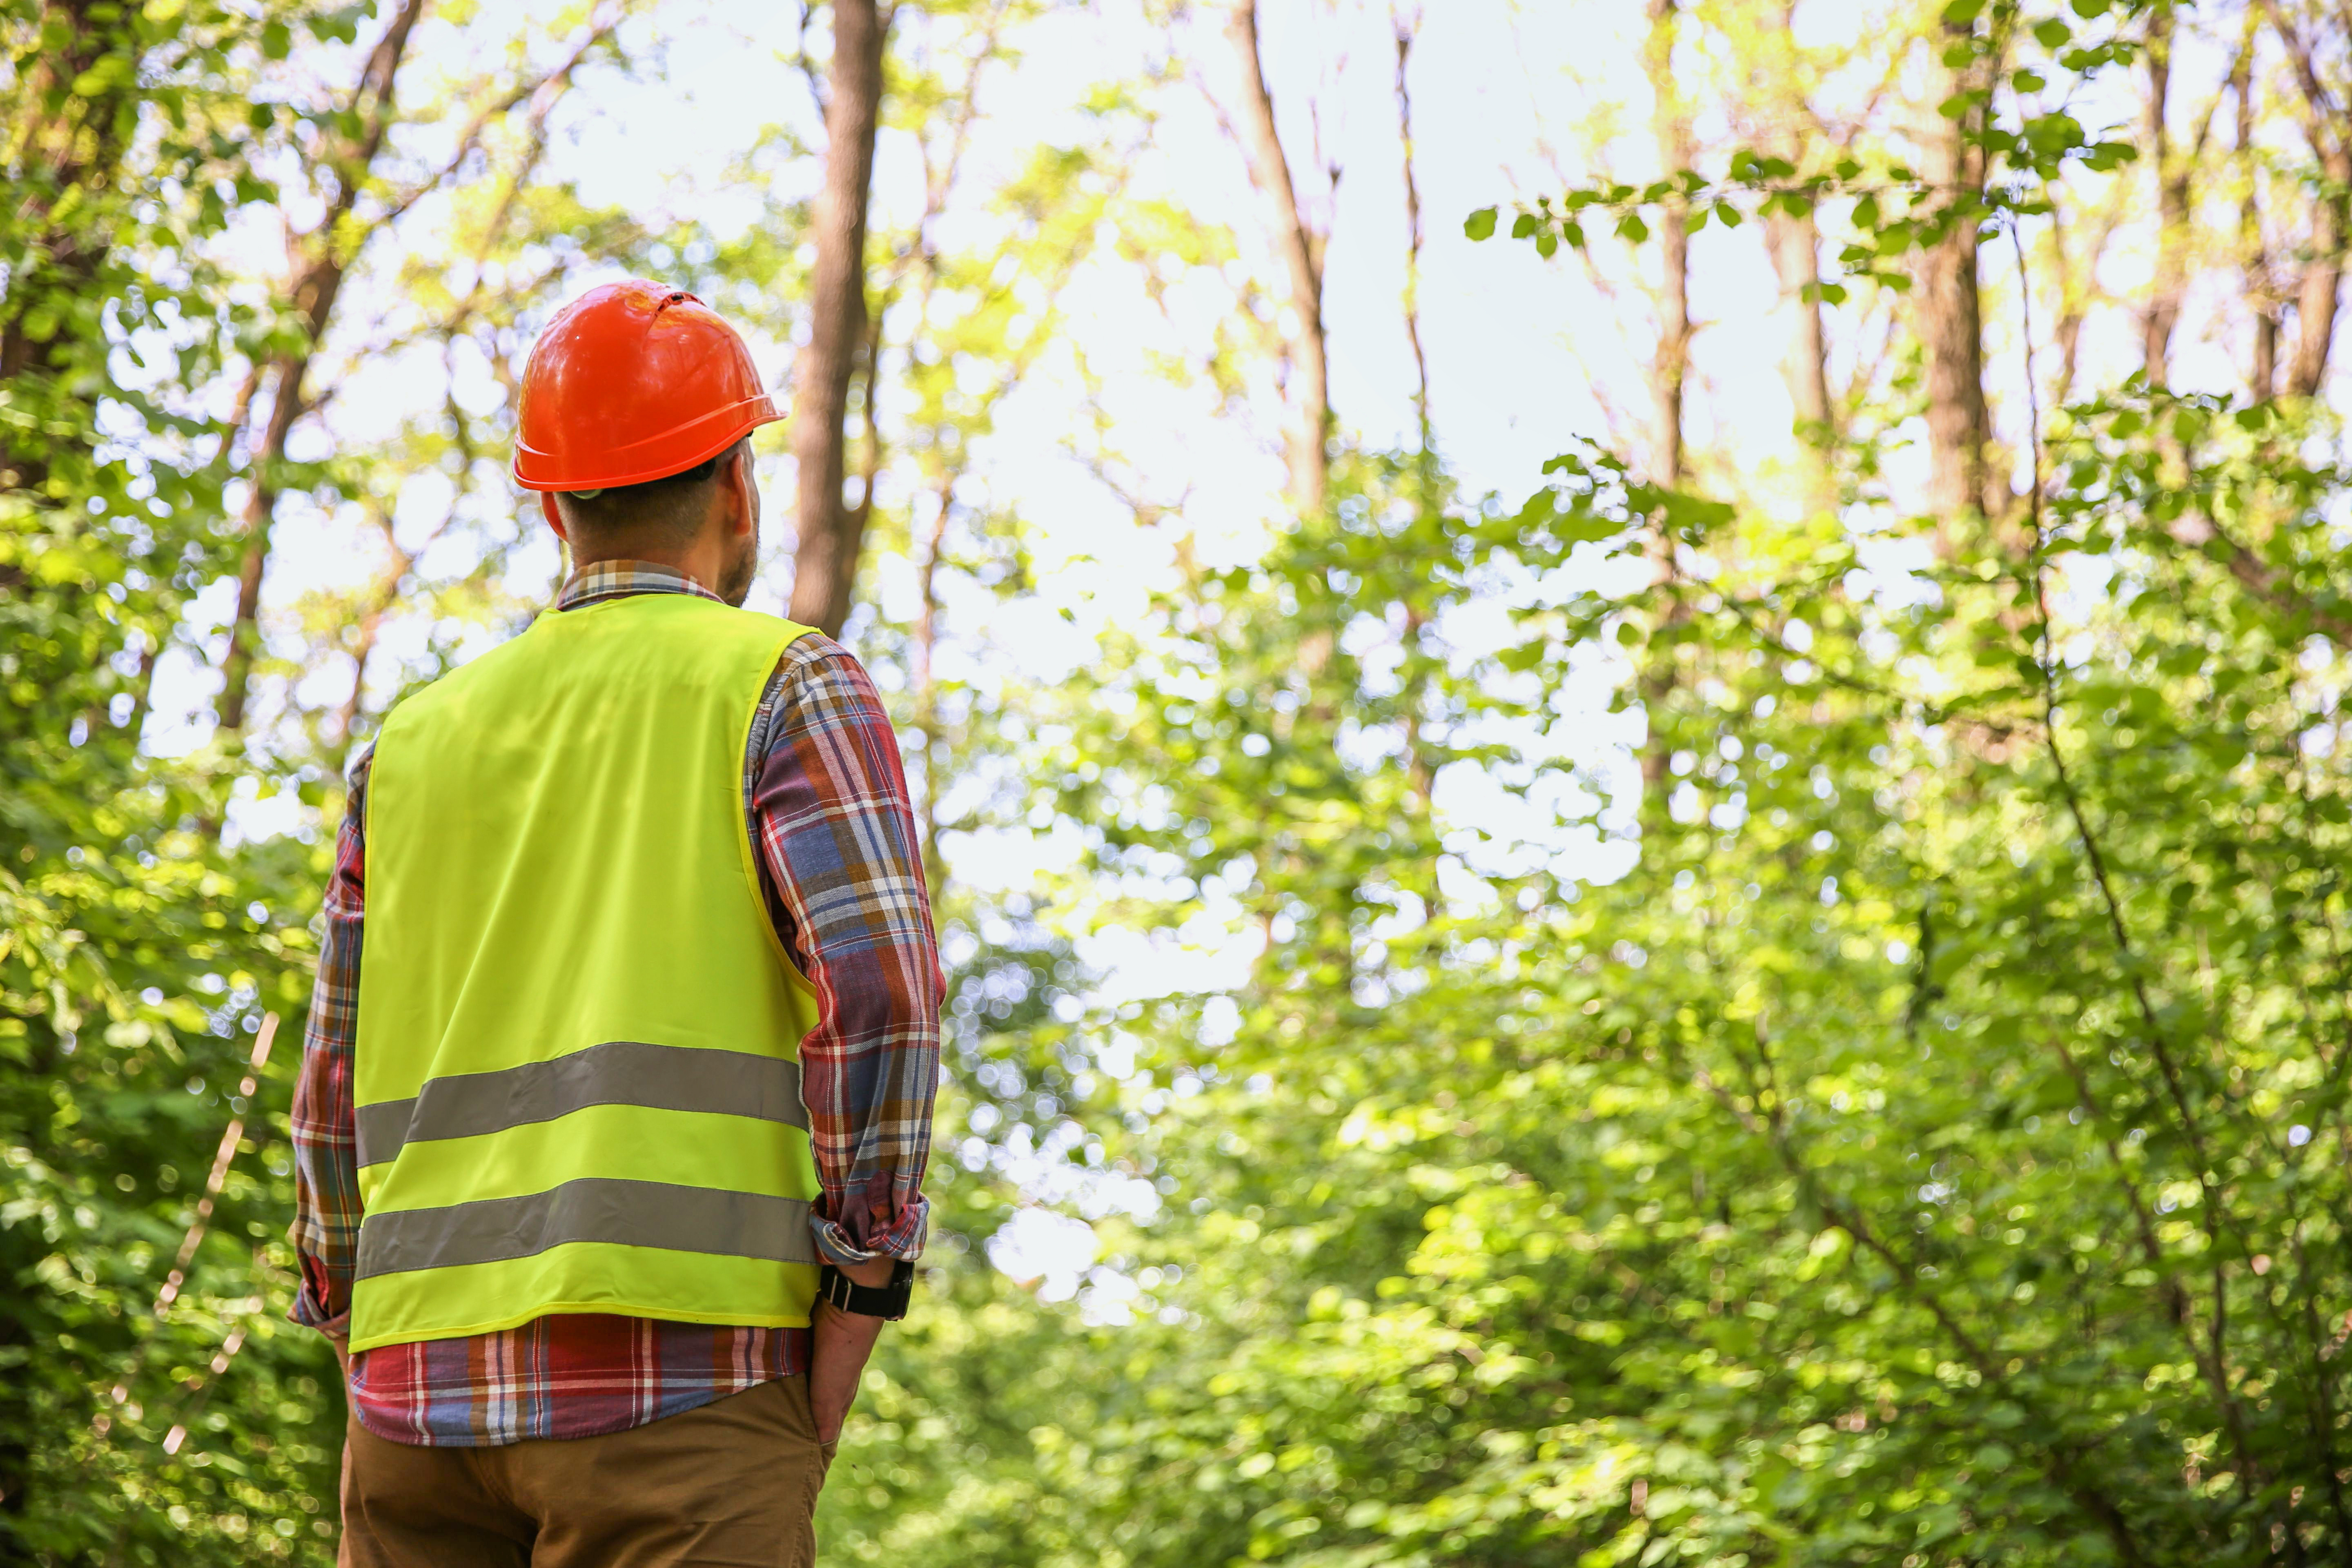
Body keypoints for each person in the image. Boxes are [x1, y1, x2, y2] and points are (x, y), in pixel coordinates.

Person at [288, 279, 942, 1567]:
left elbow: (331, 1070)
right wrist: (867, 1278)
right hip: (680, 1392)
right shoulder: (782, 681)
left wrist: (351, 1313)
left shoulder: (411, 743)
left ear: (553, 505)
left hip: (412, 1407)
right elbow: (881, 997)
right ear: (737, 488)